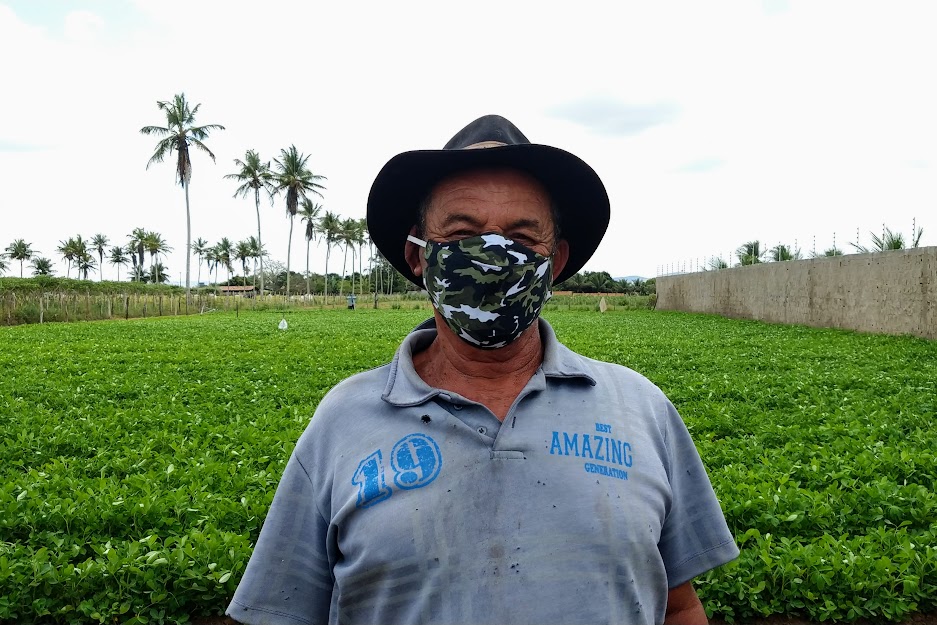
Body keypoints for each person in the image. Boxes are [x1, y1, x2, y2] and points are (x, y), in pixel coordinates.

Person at [227, 115, 739, 625]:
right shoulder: (341, 423)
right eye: (462, 232)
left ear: (554, 261)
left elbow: (679, 607)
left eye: (521, 235)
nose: (493, 254)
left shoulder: (642, 410)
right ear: (418, 256)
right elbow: (282, 612)